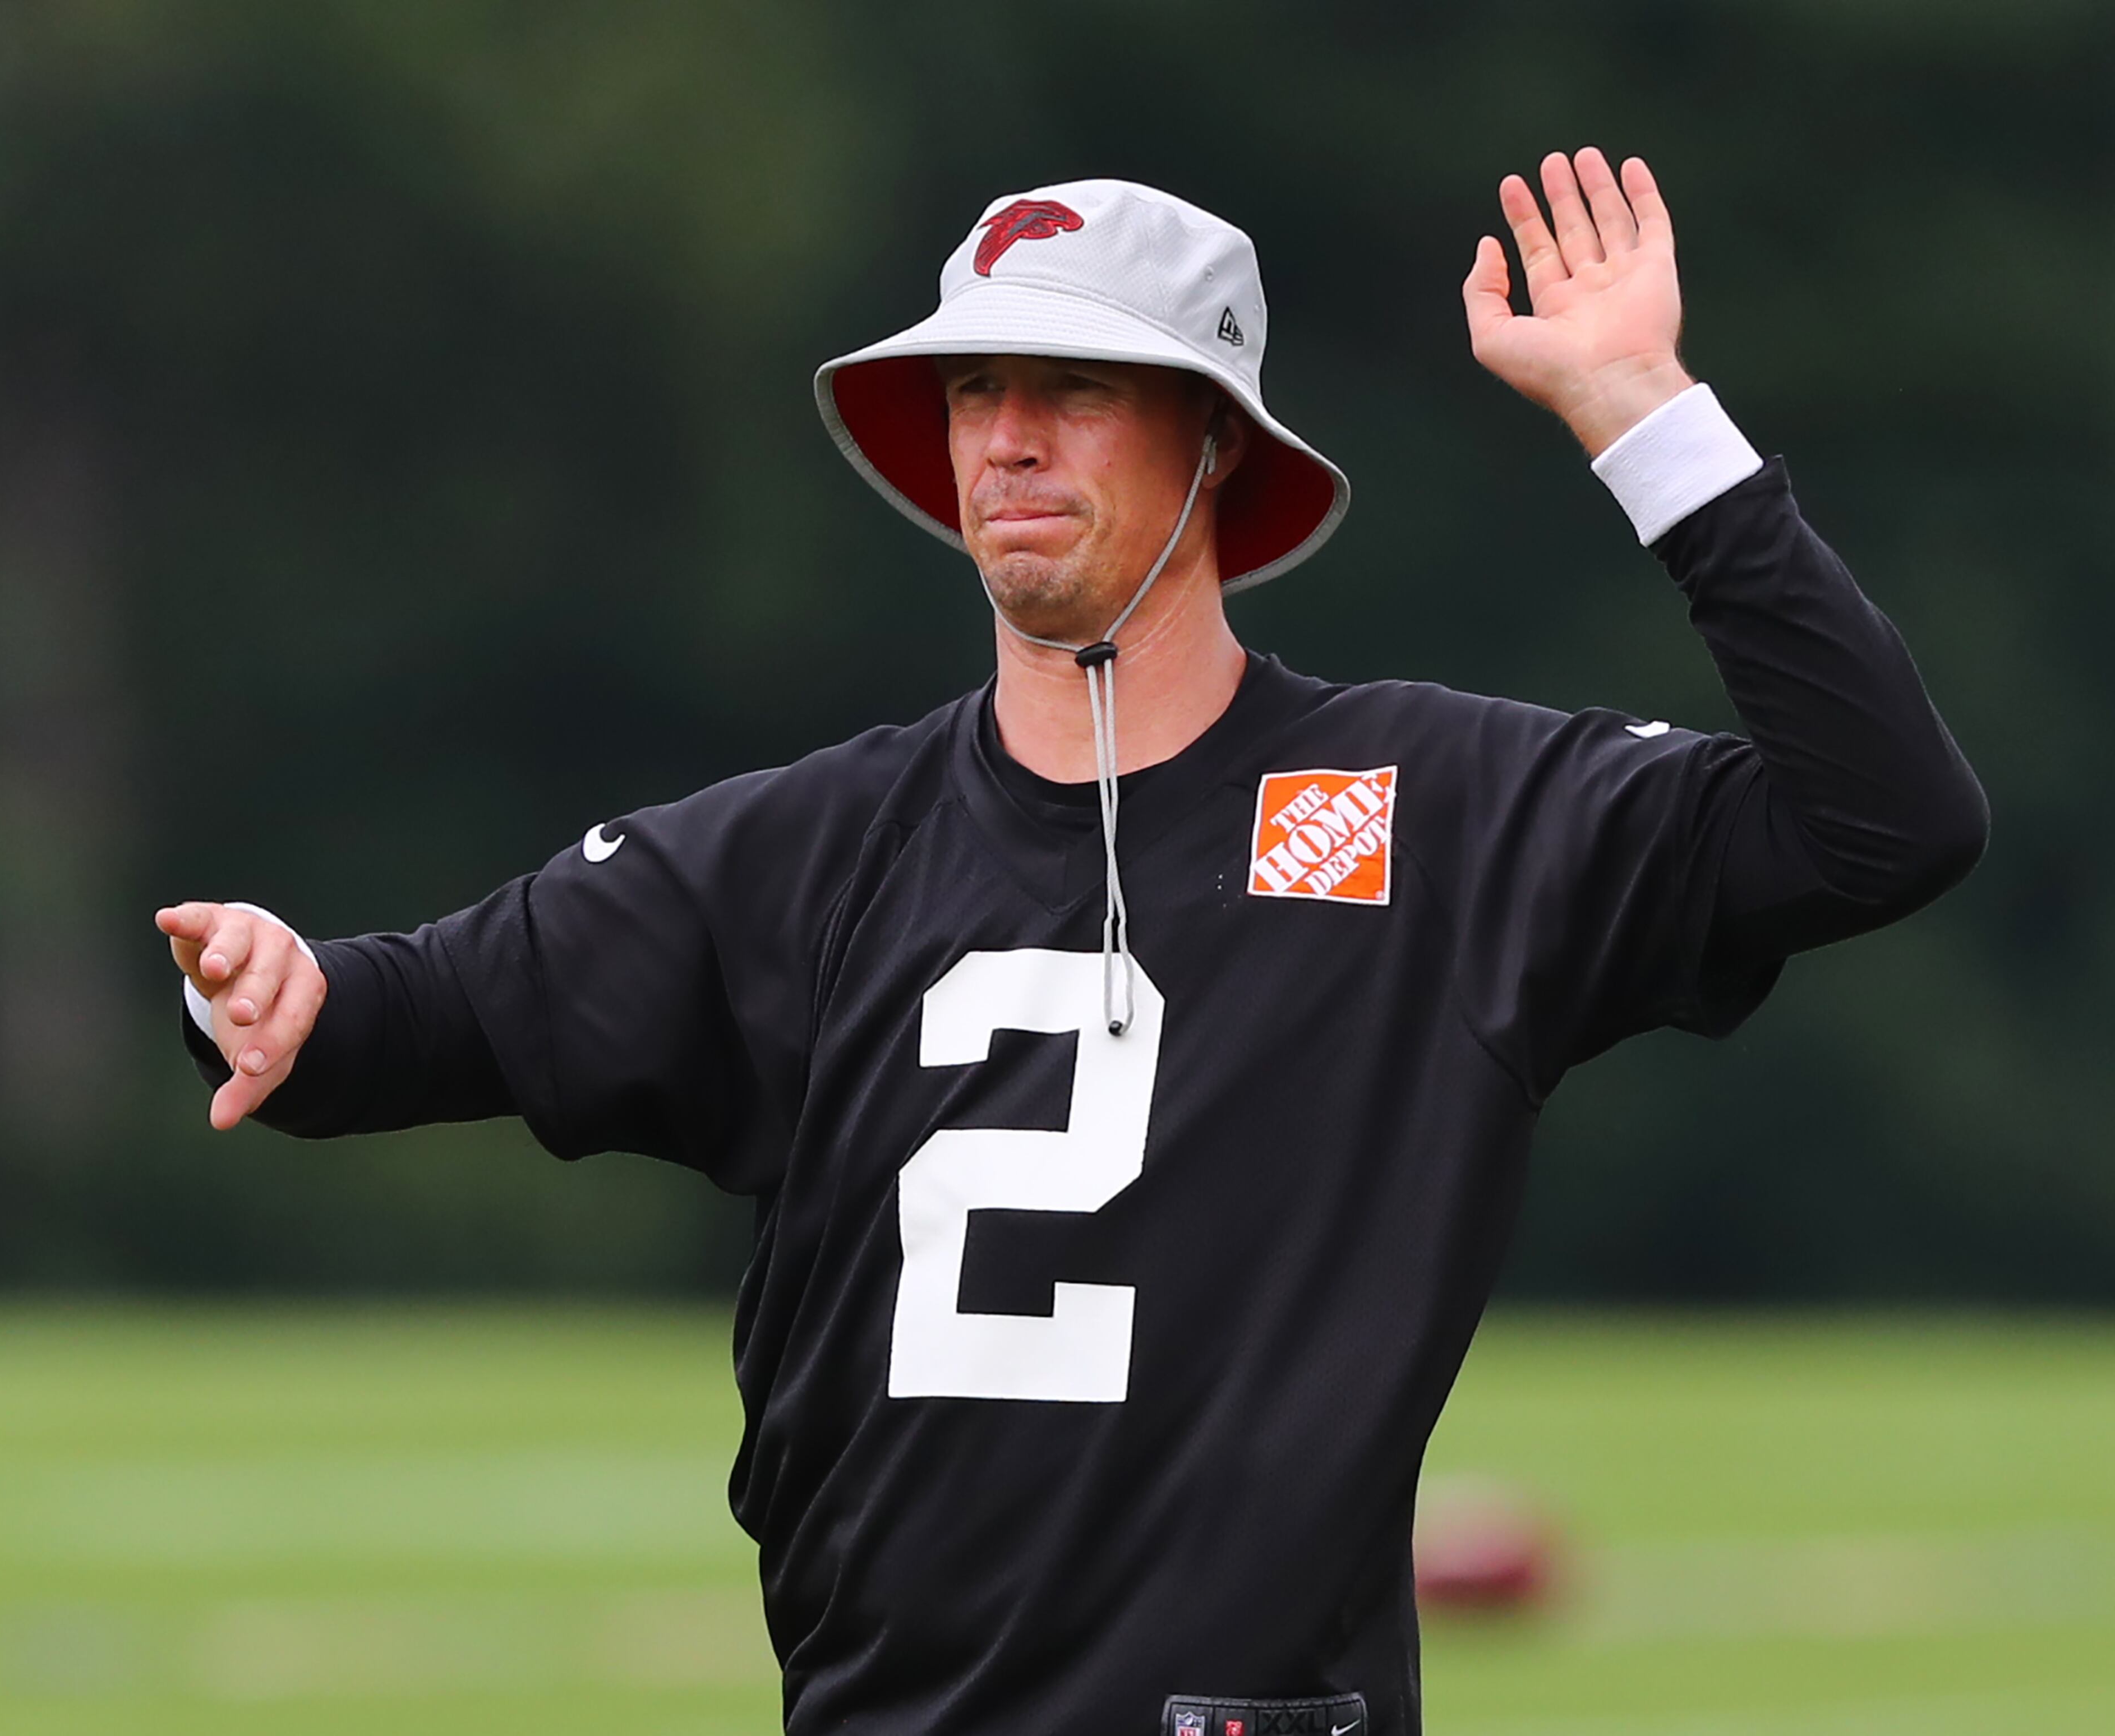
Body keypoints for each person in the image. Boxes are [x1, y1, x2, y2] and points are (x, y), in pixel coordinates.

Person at [157, 156, 1986, 1735]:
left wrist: (1645, 415)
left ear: (1215, 442)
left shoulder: (1442, 812)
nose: (1008, 439)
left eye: (1077, 389)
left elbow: (1886, 819)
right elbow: (420, 1017)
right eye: (971, 392)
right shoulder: (808, 848)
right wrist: (289, 997)